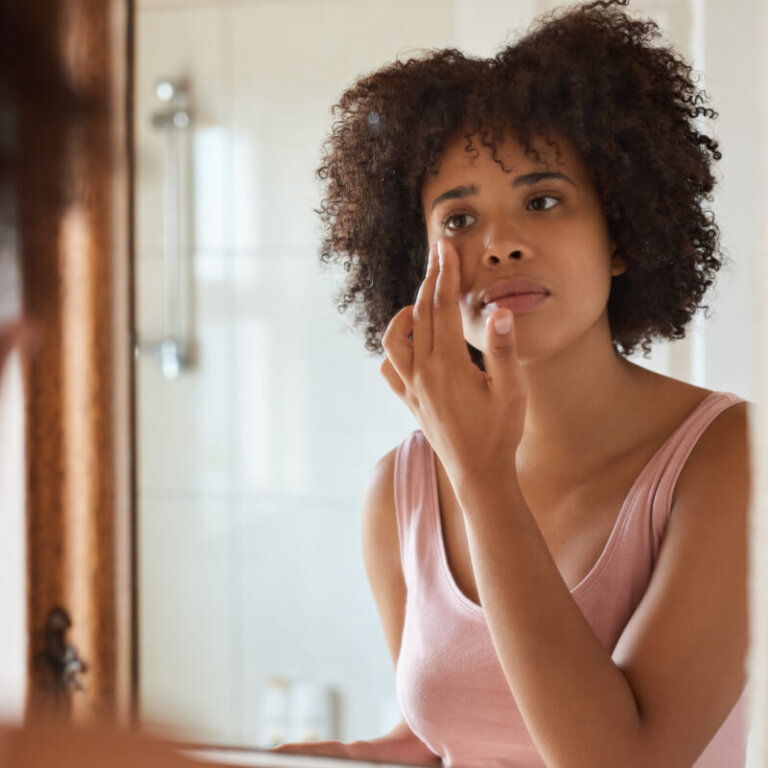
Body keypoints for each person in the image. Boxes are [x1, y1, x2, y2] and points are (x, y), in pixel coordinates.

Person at [273, 0, 751, 766]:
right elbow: (448, 737)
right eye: (457, 220)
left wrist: (484, 477)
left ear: (621, 234)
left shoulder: (730, 459)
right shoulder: (399, 490)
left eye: (543, 200)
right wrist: (365, 757)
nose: (498, 245)